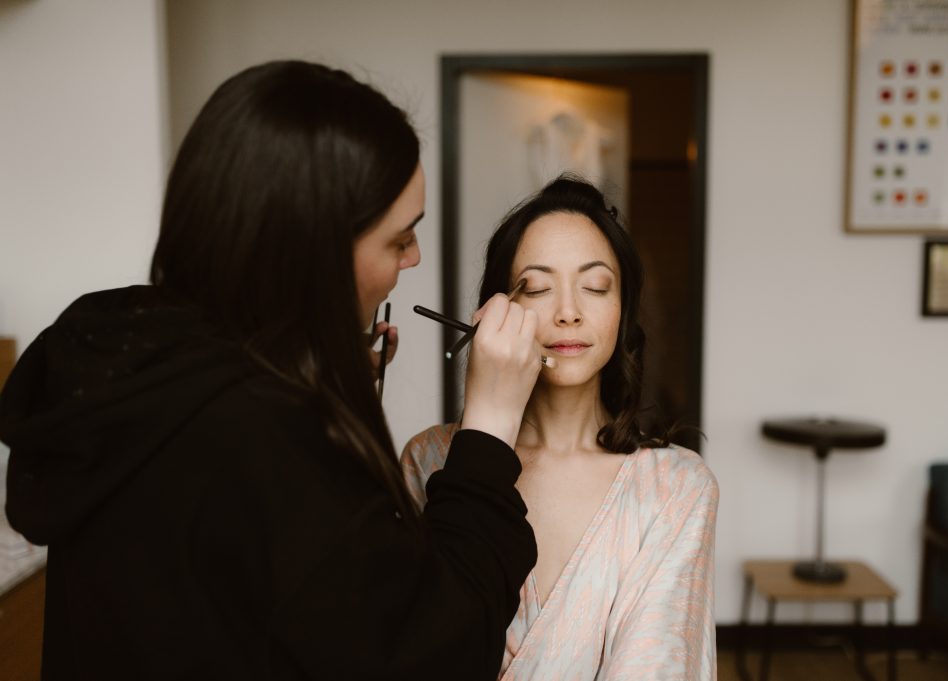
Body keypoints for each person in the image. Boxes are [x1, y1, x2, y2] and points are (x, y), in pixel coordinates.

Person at [0, 60, 543, 680]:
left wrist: (310, 379)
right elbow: (434, 651)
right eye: (398, 241)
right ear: (313, 253)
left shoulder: (133, 365)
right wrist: (491, 427)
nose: (414, 257)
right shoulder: (267, 441)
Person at [402, 176, 718, 681]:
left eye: (595, 287)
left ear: (623, 310)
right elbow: (406, 645)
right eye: (537, 287)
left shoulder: (677, 486)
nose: (568, 313)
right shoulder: (430, 459)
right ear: (495, 311)